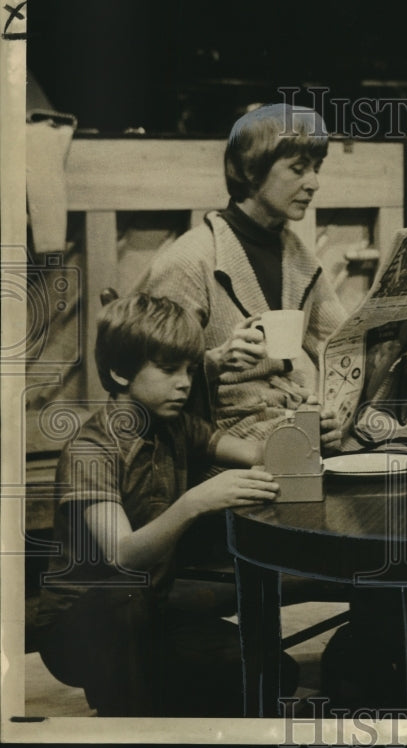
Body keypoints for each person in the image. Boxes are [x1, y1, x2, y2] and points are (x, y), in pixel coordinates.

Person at [34, 293, 295, 716]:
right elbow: (122, 556)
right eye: (169, 369)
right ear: (120, 371)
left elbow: (255, 453)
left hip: (149, 612)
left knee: (272, 672)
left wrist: (305, 427)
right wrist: (195, 501)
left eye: (190, 370)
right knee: (127, 601)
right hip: (81, 624)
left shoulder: (175, 426)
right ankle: (127, 708)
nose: (185, 383)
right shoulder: (93, 448)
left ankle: (145, 696)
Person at [137, 102, 349, 454]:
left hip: (294, 430)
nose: (314, 183)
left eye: (316, 168)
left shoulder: (297, 255)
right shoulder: (190, 261)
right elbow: (152, 382)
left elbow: (342, 344)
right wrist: (216, 360)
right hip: (223, 445)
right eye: (298, 169)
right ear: (252, 170)